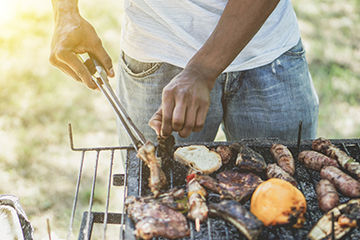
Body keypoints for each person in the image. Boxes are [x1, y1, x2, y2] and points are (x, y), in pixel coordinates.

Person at [50, 0, 319, 146]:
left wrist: (203, 69)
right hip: (157, 54)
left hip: (269, 52)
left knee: (287, 199)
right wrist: (66, 12)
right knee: (154, 203)